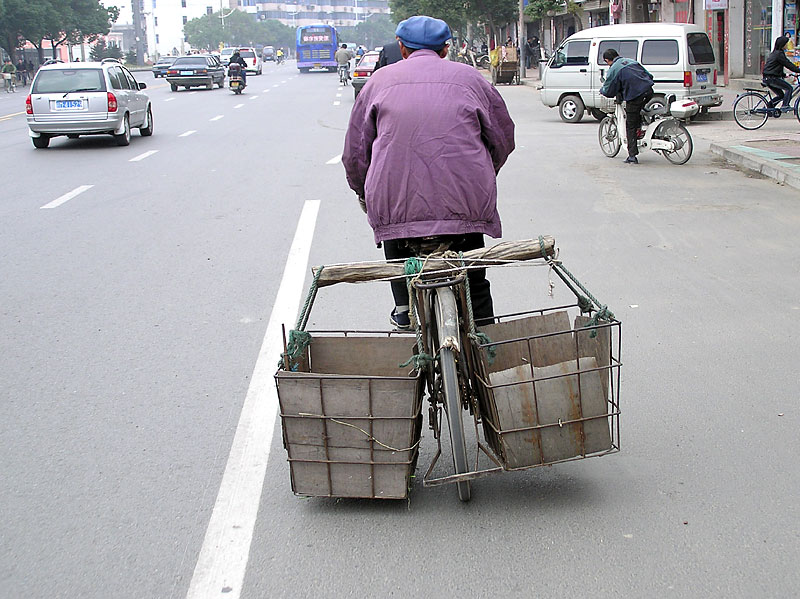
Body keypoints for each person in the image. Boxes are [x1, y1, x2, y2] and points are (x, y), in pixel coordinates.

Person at [343, 15, 515, 329]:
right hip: (464, 206)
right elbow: (503, 140)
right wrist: (482, 174)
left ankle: (405, 312)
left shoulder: (377, 83)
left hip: (397, 206)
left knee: (400, 263)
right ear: (446, 49)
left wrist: (363, 193)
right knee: (474, 287)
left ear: (402, 48)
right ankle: (488, 351)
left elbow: (355, 157)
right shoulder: (472, 79)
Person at [600, 48, 654, 164]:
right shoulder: (631, 61)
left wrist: (603, 91)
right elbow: (649, 75)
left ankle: (632, 156)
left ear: (607, 60)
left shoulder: (614, 69)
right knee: (637, 113)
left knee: (630, 125)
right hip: (648, 91)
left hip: (635, 96)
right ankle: (640, 130)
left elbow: (608, 89)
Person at [762, 35, 800, 111]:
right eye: (786, 44)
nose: (787, 45)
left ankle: (768, 108)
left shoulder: (775, 53)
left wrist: (784, 75)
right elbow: (789, 65)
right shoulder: (779, 54)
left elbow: (774, 67)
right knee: (789, 88)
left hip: (768, 77)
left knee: (781, 95)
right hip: (772, 78)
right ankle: (785, 106)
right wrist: (798, 70)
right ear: (782, 45)